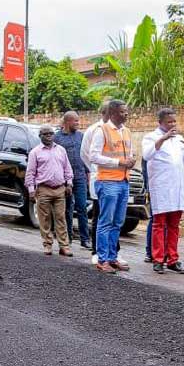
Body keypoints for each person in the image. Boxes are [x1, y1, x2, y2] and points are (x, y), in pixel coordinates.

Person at [142, 108, 184, 274]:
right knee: (159, 224)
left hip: (177, 188)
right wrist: (162, 139)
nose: (172, 125)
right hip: (161, 188)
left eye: (174, 121)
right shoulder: (151, 137)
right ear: (160, 122)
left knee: (174, 226)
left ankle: (173, 259)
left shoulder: (178, 138)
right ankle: (158, 259)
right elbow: (147, 155)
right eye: (169, 122)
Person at [86, 99, 135, 274]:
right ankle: (102, 258)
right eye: (123, 111)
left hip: (123, 181)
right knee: (105, 221)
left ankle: (113, 256)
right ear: (113, 113)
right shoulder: (102, 130)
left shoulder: (126, 132)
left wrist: (130, 160)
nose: (126, 114)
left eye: (126, 111)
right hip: (107, 181)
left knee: (118, 222)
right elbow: (93, 156)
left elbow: (130, 152)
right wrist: (118, 162)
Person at [26, 125, 74, 256]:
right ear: (40, 136)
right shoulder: (35, 152)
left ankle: (64, 246)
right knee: (44, 219)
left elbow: (67, 168)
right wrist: (31, 190)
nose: (48, 136)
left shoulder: (61, 150)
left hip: (60, 189)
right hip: (43, 189)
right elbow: (30, 173)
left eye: (51, 133)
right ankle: (47, 244)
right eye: (45, 134)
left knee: (61, 218)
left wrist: (69, 184)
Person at [54, 111, 90, 249]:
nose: (77, 123)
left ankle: (84, 239)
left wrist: (87, 175)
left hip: (80, 177)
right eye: (75, 121)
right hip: (64, 179)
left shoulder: (81, 136)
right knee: (67, 209)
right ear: (68, 122)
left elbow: (86, 157)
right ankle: (67, 237)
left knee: (82, 207)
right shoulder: (57, 138)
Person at [82, 101, 111, 260]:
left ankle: (111, 251)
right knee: (99, 216)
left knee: (111, 218)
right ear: (107, 113)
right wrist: (94, 170)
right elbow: (85, 154)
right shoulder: (94, 130)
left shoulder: (117, 130)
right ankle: (96, 251)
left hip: (114, 180)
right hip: (99, 178)